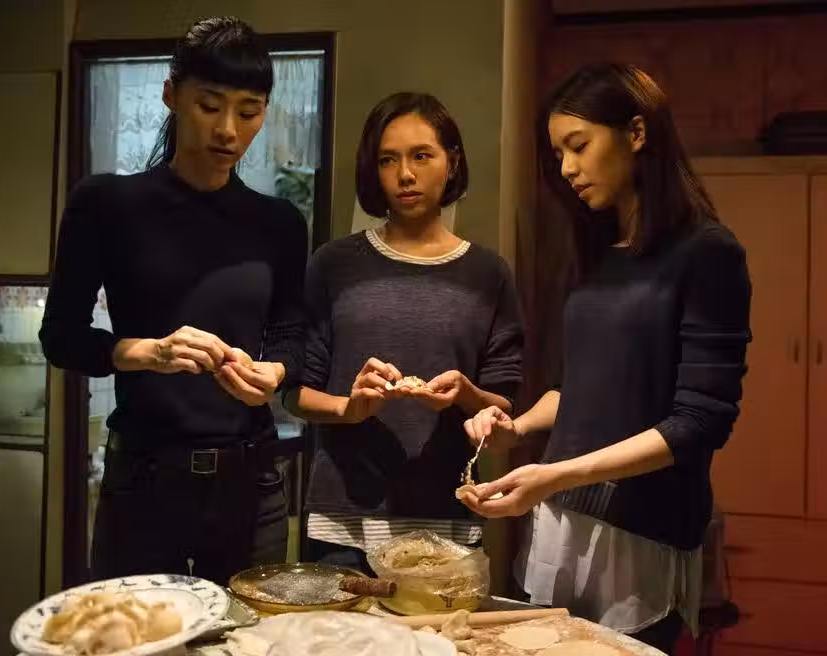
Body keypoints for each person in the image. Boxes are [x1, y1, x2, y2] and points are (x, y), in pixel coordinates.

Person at [458, 63, 752, 654]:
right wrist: (516, 429)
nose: (567, 168)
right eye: (558, 154)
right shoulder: (598, 252)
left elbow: (700, 421)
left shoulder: (707, 253)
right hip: (562, 515)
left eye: (579, 146)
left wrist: (559, 474)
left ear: (637, 133)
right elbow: (577, 388)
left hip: (639, 528)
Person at [39, 16, 308, 585]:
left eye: (249, 111)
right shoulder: (106, 204)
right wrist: (145, 352)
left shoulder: (279, 222)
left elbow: (292, 335)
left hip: (251, 479)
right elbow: (61, 337)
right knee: (135, 628)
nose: (228, 130)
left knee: (246, 630)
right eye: (209, 105)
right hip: (143, 477)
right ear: (171, 95)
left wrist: (275, 372)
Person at [285, 92, 524, 572]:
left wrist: (465, 393)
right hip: (342, 521)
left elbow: (503, 407)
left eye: (421, 155)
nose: (405, 174)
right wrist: (349, 408)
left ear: (452, 162)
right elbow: (294, 394)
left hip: (446, 520)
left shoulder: (488, 274)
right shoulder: (334, 264)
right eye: (388, 160)